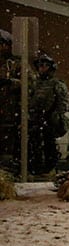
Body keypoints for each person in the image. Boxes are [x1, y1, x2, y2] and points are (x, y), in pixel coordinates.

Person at [27, 52, 69, 175]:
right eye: (40, 65)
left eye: (45, 65)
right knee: (33, 143)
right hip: (35, 118)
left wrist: (54, 116)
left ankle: (48, 168)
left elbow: (63, 103)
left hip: (49, 119)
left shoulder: (57, 84)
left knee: (48, 144)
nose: (42, 68)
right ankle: (34, 166)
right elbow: (29, 98)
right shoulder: (34, 83)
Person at [0, 30, 32, 171]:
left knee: (11, 144)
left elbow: (30, 84)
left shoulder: (18, 64)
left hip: (12, 113)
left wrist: (9, 82)